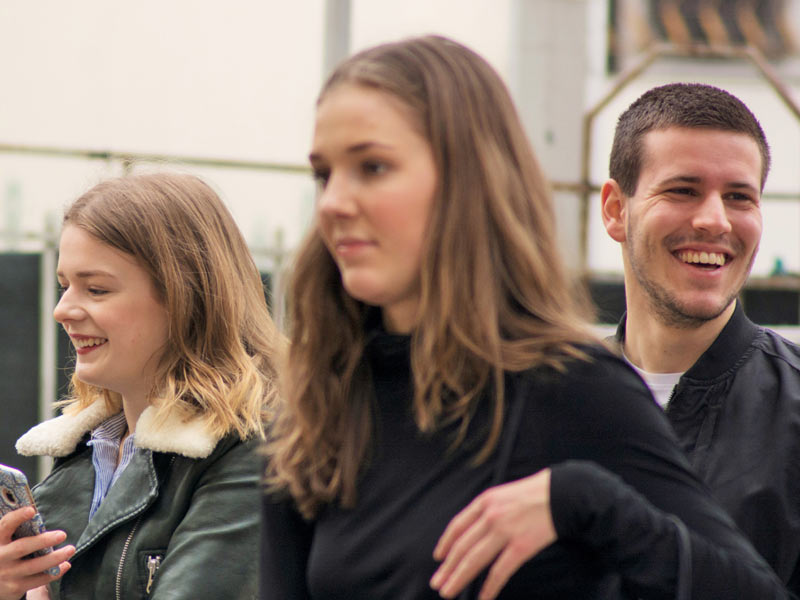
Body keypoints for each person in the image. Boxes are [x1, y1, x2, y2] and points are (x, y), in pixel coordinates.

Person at [260, 35, 788, 599]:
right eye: (325, 174)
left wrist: (588, 503)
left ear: (467, 180)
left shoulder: (573, 390)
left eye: (373, 166)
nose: (336, 201)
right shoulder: (318, 408)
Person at [0, 172, 280, 599]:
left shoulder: (252, 451)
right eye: (64, 286)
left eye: (95, 289)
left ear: (186, 296)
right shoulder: (83, 453)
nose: (62, 310)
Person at [599, 82, 800, 592]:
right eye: (683, 190)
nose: (714, 220)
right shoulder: (543, 401)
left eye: (739, 197)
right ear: (615, 210)